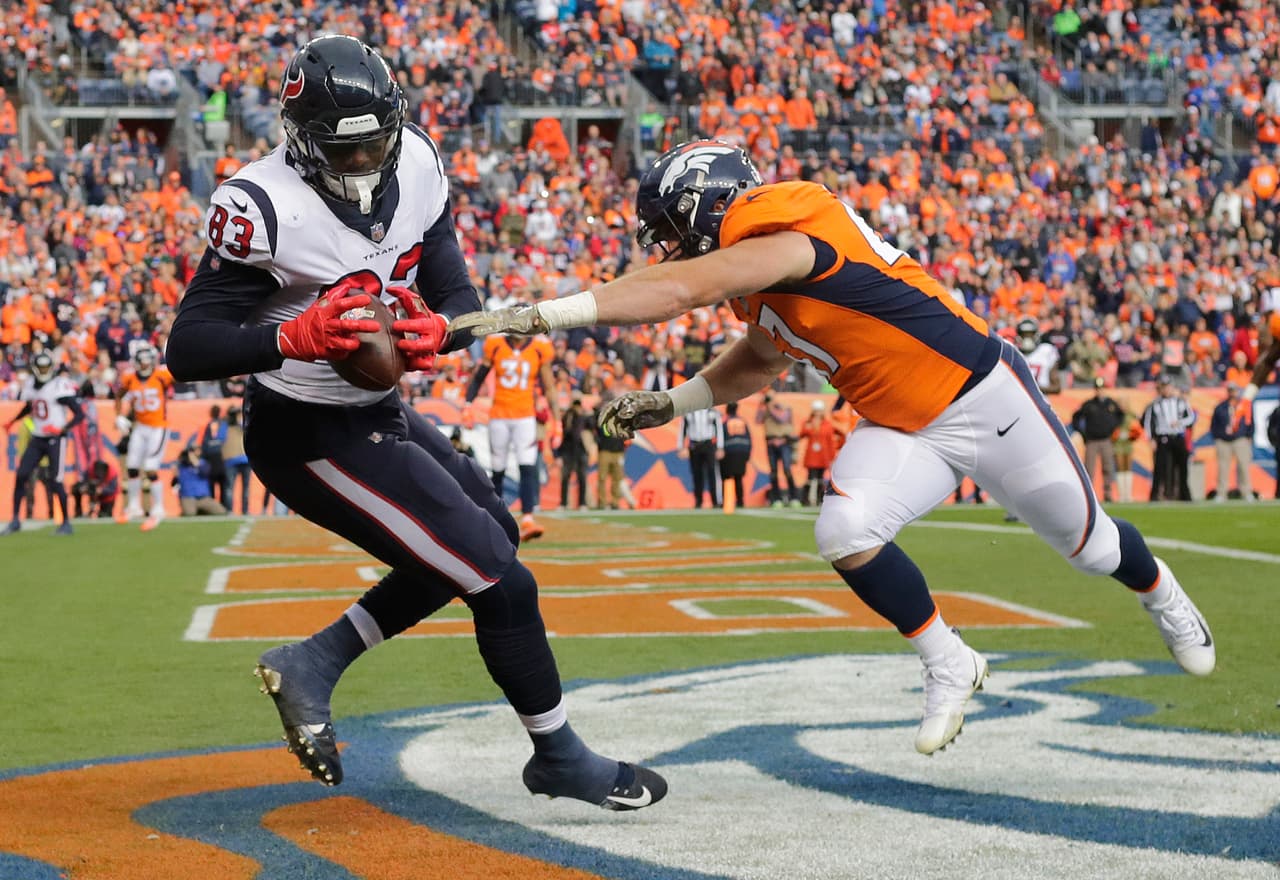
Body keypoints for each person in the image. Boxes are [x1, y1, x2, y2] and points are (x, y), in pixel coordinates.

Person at [450, 140, 1216, 755]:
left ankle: (1163, 595)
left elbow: (682, 291)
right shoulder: (761, 272)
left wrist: (543, 315)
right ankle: (950, 660)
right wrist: (674, 402)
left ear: (707, 206)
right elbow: (760, 356)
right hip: (899, 421)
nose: (669, 250)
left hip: (980, 397)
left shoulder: (790, 227)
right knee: (845, 532)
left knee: (1090, 547)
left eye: (673, 232)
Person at [164, 35, 664, 809]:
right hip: (303, 430)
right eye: (345, 149)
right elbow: (187, 347)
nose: (365, 163)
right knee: (502, 581)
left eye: (376, 145)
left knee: (491, 534)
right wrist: (286, 337)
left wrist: (448, 327)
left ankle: (314, 664)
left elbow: (451, 279)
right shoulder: (262, 205)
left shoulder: (421, 162)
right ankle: (558, 756)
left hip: (375, 408)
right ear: (301, 140)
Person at [465, 332, 559, 540]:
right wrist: (468, 404)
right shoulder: (496, 344)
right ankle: (496, 517)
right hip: (499, 415)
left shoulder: (539, 347)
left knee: (527, 465)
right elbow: (480, 375)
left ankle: (527, 518)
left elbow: (550, 386)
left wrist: (557, 419)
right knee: (498, 468)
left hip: (525, 417)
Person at [3, 352, 83, 535]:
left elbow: (79, 413)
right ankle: (15, 520)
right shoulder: (31, 384)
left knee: (56, 481)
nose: (45, 371)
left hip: (55, 439)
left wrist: (63, 428)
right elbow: (31, 405)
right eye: (42, 367)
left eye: (47, 367)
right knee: (22, 475)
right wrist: (13, 421)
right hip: (38, 437)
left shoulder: (58, 386)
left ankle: (66, 523)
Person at [116, 346, 174, 529]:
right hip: (140, 427)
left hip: (158, 427)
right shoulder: (129, 378)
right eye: (142, 361)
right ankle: (134, 507)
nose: (144, 364)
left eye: (147, 360)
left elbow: (180, 376)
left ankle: (158, 508)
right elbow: (118, 395)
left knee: (150, 468)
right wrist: (119, 416)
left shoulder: (161, 375)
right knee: (132, 467)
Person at [1142, 376, 1195, 501]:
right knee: (1160, 468)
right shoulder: (1155, 404)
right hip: (1163, 437)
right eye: (1164, 387)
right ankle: (1155, 495)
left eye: (1168, 386)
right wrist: (1151, 439)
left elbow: (1191, 417)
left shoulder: (1181, 402)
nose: (1166, 390)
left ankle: (1184, 495)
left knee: (1182, 467)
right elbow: (1148, 422)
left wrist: (1180, 422)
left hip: (1177, 436)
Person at [1071, 377, 1124, 502]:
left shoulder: (1111, 404)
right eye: (1097, 388)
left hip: (1106, 439)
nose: (1100, 391)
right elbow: (1076, 417)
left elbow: (1121, 415)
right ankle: (1089, 495)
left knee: (1108, 467)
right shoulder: (1089, 404)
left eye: (1101, 388)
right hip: (1092, 441)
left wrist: (1113, 428)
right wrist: (1083, 434)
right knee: (1089, 468)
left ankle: (1108, 493)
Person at [1209, 383, 1255, 501]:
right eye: (1230, 390)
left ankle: (1246, 492)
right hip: (1224, 441)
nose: (1232, 393)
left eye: (1234, 390)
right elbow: (1214, 425)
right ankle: (1221, 493)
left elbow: (1250, 422)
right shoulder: (1220, 407)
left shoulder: (1244, 406)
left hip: (1240, 438)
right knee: (1223, 468)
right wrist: (1218, 437)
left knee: (1243, 466)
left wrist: (1249, 436)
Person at [677, 402, 723, 508]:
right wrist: (681, 447)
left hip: (708, 444)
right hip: (694, 444)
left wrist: (720, 447)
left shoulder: (713, 411)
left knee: (712, 473)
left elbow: (719, 430)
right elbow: (682, 429)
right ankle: (698, 501)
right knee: (697, 474)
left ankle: (716, 501)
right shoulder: (689, 412)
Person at [757, 391, 800, 506]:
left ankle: (794, 498)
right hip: (771, 443)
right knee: (773, 472)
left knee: (787, 470)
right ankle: (776, 499)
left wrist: (770, 406)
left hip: (784, 442)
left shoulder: (784, 407)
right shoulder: (765, 409)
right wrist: (761, 406)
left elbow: (781, 419)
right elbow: (758, 420)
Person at [799, 399, 839, 506]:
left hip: (823, 456)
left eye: (819, 411)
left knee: (821, 478)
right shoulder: (808, 422)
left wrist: (832, 457)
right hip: (811, 455)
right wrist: (810, 426)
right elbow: (801, 434)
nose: (818, 413)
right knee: (810, 478)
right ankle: (805, 499)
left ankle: (819, 499)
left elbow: (830, 442)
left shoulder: (827, 424)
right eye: (816, 411)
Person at [593, 392, 628, 510]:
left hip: (618, 451)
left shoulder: (620, 416)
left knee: (617, 478)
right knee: (602, 478)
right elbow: (600, 430)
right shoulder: (600, 416)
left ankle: (615, 502)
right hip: (605, 450)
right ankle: (602, 502)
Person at [558, 394, 593, 510]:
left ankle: (582, 503)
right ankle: (563, 503)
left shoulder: (584, 417)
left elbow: (592, 425)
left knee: (582, 477)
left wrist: (586, 414)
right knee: (565, 477)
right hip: (568, 450)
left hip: (581, 450)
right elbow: (566, 432)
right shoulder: (568, 416)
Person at [173, 445, 228, 516]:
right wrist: (176, 476)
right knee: (189, 514)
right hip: (188, 498)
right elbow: (174, 484)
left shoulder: (203, 463)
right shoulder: (181, 467)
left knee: (221, 512)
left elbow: (205, 472)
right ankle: (186, 513)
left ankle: (202, 511)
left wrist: (195, 461)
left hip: (203, 498)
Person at [719, 401, 753, 510]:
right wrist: (748, 453)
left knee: (726, 477)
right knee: (739, 478)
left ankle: (726, 501)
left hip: (729, 451)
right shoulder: (742, 421)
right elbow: (749, 438)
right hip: (742, 451)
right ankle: (740, 501)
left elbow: (721, 437)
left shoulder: (725, 422)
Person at [200, 404, 230, 509]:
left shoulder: (210, 424)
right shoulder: (224, 424)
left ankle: (213, 508)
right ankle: (224, 507)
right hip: (222, 458)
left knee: (212, 484)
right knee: (223, 486)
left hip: (212, 459)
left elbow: (206, 443)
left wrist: (203, 456)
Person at [223, 405, 252, 515]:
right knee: (229, 487)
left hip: (244, 460)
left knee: (246, 488)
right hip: (231, 460)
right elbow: (220, 437)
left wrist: (240, 420)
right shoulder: (225, 425)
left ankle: (245, 510)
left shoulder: (244, 423)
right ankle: (230, 510)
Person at [1112, 407, 1143, 503]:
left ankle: (1128, 495)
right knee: (1120, 468)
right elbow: (1110, 427)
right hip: (1118, 445)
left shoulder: (1131, 414)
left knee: (1128, 468)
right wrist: (1116, 434)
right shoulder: (1114, 414)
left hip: (1128, 444)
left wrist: (1132, 434)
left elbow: (1138, 425)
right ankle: (1122, 495)